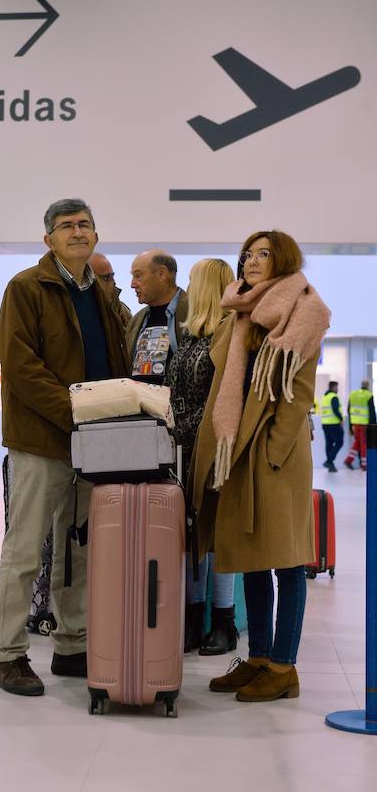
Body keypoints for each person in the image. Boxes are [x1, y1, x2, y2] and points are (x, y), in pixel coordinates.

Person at [0, 198, 128, 697]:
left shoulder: (102, 296)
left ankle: (73, 644)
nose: (77, 232)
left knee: (78, 550)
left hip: (94, 443)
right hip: (40, 440)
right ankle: (8, 656)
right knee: (24, 549)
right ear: (48, 238)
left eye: (85, 224)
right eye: (67, 226)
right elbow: (18, 362)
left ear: (96, 236)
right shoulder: (26, 287)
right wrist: (73, 408)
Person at [188, 230, 330, 702]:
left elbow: (299, 391)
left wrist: (272, 450)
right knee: (251, 558)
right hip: (241, 451)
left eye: (262, 254)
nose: (250, 261)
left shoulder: (303, 310)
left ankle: (283, 667)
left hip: (275, 454)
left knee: (287, 561)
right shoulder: (243, 312)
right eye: (247, 254)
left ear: (283, 260)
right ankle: (258, 659)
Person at [166, 258, 237, 656]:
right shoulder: (192, 336)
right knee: (192, 536)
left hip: (210, 451)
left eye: (193, 281)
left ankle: (223, 622)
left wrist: (179, 424)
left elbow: (220, 401)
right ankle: (194, 621)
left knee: (214, 537)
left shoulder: (226, 335)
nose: (187, 289)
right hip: (183, 450)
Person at [126, 249, 188, 385]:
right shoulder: (136, 321)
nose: (132, 284)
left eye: (138, 276)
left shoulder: (194, 313)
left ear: (161, 274)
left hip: (176, 404)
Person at [88, 251, 132, 327]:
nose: (113, 282)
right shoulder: (75, 309)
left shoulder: (121, 310)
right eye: (106, 277)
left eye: (112, 276)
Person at [344, 380, 376, 471]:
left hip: (355, 424)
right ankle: (364, 465)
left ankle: (348, 460)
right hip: (364, 424)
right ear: (368, 385)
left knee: (357, 443)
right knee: (363, 444)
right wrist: (373, 425)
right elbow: (372, 411)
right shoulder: (368, 395)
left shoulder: (353, 394)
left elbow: (349, 410)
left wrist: (350, 426)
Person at [320, 380, 344, 472]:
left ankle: (330, 465)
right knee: (339, 442)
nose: (337, 389)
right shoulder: (334, 396)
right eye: (337, 387)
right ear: (334, 387)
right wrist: (341, 419)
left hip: (325, 424)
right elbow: (335, 409)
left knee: (329, 444)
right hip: (334, 424)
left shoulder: (324, 397)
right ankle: (329, 461)